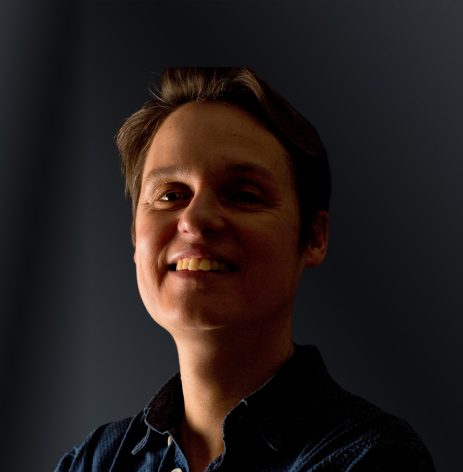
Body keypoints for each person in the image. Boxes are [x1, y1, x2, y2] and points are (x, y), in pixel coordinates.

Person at [55, 67, 436, 472]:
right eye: (170, 195)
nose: (195, 219)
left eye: (243, 195)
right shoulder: (94, 460)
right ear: (135, 237)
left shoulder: (373, 459)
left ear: (314, 236)